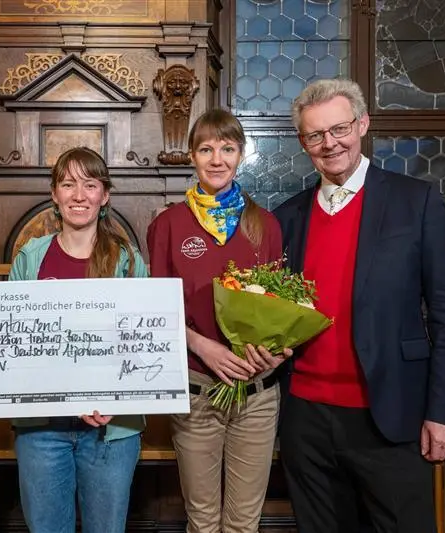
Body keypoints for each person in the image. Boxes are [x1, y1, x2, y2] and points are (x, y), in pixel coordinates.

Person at [273, 78, 445, 533]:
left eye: (339, 128)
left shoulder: (415, 201)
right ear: (304, 143)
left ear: (362, 124)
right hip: (305, 416)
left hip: (390, 412)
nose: (330, 143)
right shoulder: (288, 217)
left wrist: (444, 413)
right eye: (315, 135)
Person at [147, 108, 291, 533]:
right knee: (204, 521)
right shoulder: (168, 225)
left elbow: (281, 309)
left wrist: (277, 351)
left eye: (227, 148)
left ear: (240, 154)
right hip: (197, 392)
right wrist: (200, 344)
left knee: (244, 523)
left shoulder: (264, 224)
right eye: (206, 149)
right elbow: (155, 311)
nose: (216, 159)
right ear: (192, 156)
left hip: (258, 394)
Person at [8, 146, 148, 533]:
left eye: (90, 184)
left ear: (105, 196)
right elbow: (16, 343)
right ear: (54, 194)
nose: (79, 195)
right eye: (68, 184)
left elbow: (138, 345)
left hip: (111, 427)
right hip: (41, 428)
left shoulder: (128, 260)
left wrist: (108, 397)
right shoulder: (30, 258)